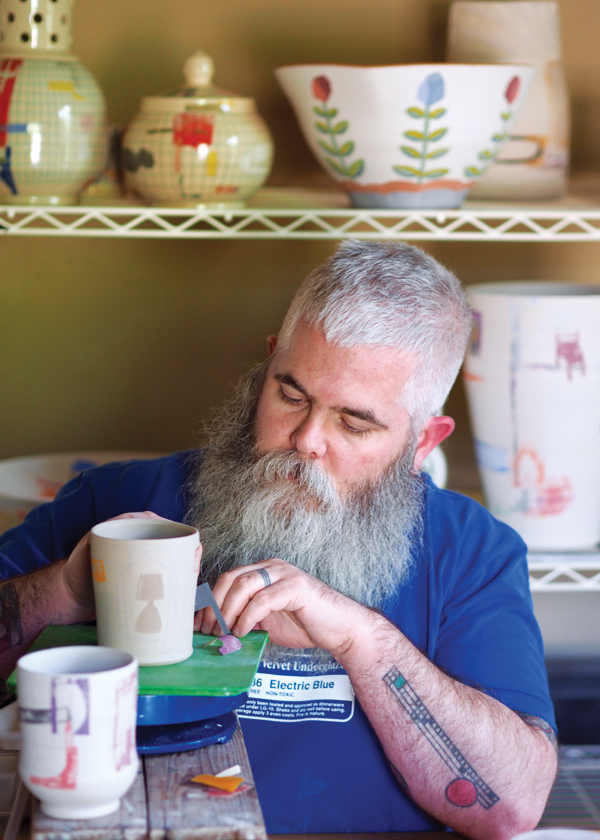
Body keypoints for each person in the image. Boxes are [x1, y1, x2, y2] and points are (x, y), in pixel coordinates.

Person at [0, 241, 557, 838]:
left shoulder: (471, 553)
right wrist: (65, 592)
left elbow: (511, 806)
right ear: (266, 366)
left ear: (424, 442)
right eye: (290, 395)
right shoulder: (116, 504)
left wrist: (358, 638)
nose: (307, 439)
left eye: (354, 422)